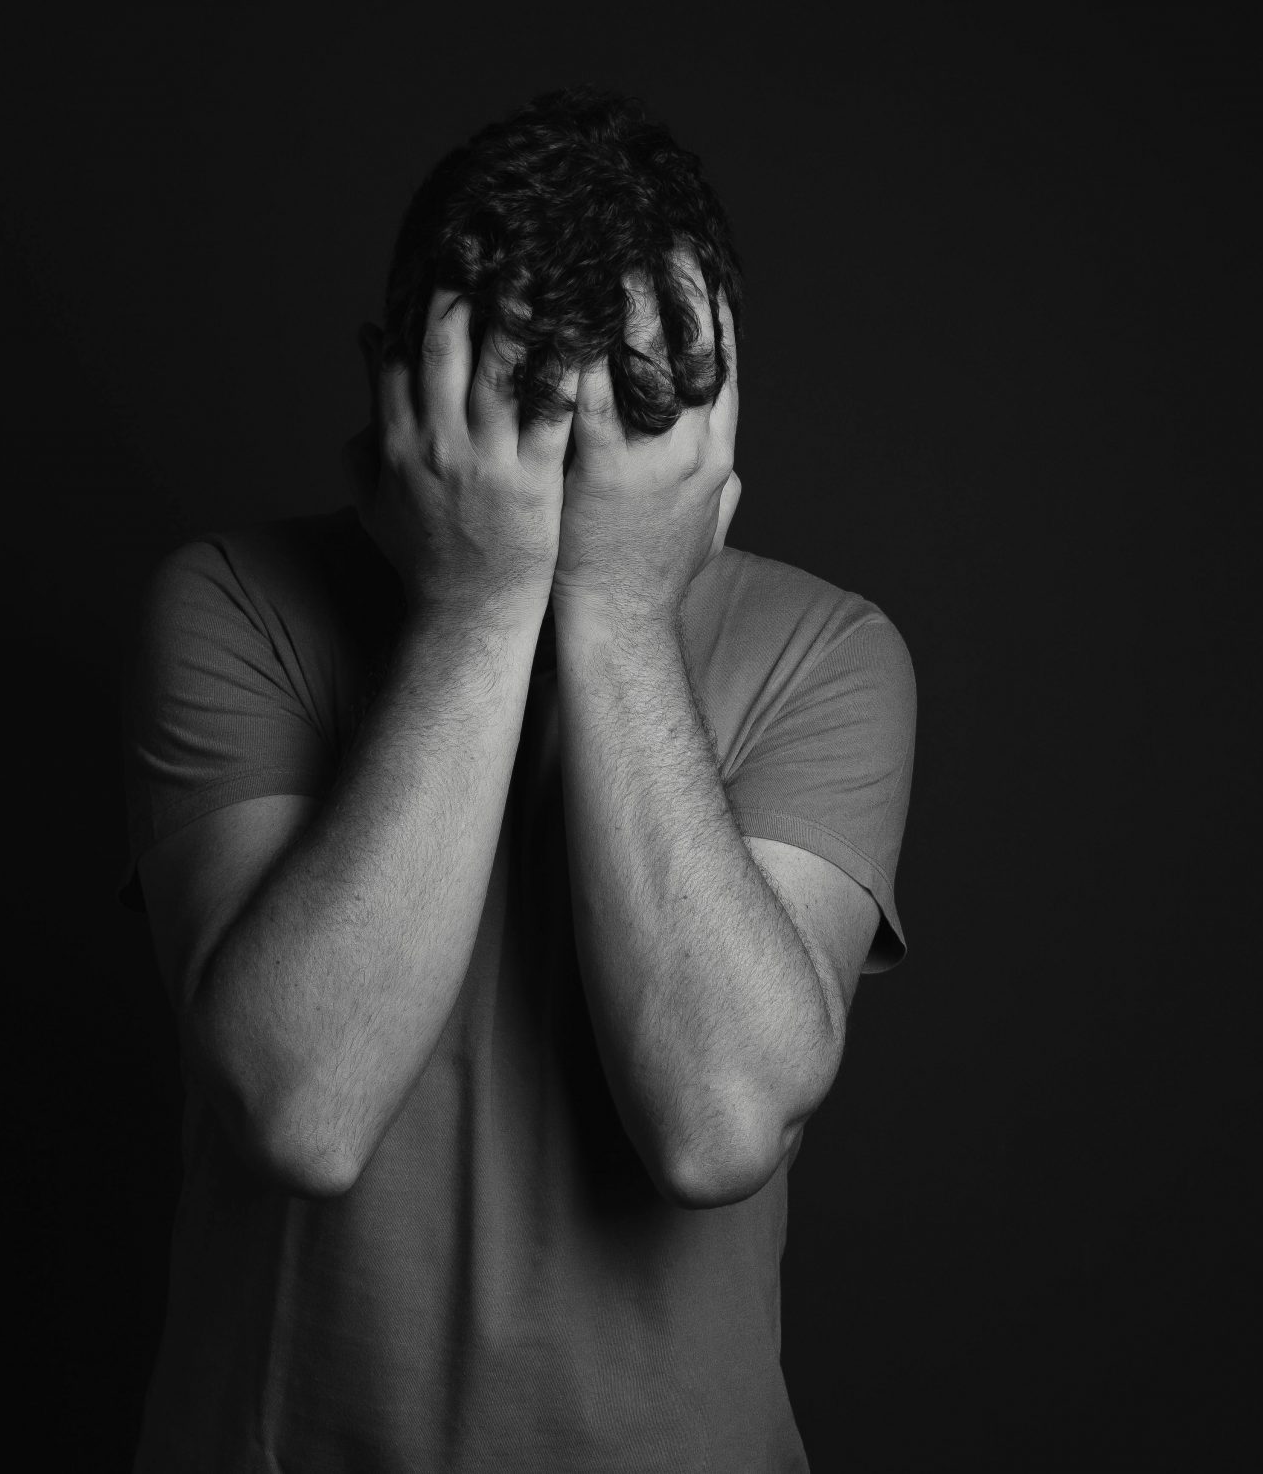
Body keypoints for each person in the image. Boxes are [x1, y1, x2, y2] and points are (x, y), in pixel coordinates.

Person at [123, 87, 918, 1472]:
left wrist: (615, 609)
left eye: (621, 425)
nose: (560, 478)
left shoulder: (829, 654)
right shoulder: (231, 607)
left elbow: (720, 1119)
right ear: (396, 397)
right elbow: (299, 1106)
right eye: (523, 415)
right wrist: (479, 603)